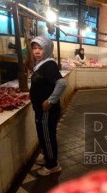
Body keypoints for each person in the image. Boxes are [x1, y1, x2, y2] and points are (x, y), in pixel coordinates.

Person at [30, 36, 67, 176]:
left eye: (40, 48)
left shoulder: (49, 65)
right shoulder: (42, 64)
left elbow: (61, 83)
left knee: (47, 136)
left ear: (46, 49)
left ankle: (52, 165)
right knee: (43, 134)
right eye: (34, 48)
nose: (37, 51)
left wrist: (51, 100)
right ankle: (47, 156)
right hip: (40, 109)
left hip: (47, 110)